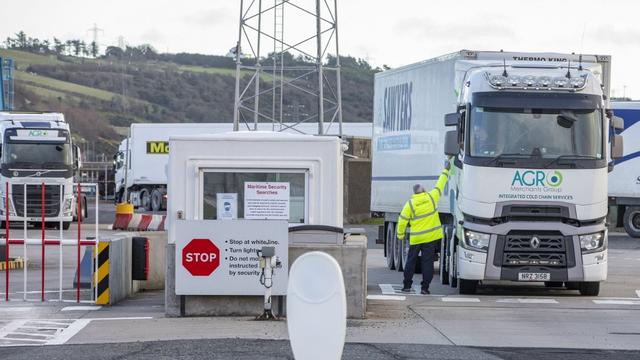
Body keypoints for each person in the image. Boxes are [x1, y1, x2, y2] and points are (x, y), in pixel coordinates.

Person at [397, 158, 451, 294]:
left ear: (414, 193)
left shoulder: (410, 204)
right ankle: (425, 288)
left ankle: (407, 286)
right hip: (430, 238)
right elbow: (441, 184)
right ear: (424, 190)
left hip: (416, 239)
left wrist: (400, 235)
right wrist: (446, 169)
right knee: (428, 264)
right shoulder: (432, 197)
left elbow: (402, 220)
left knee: (411, 261)